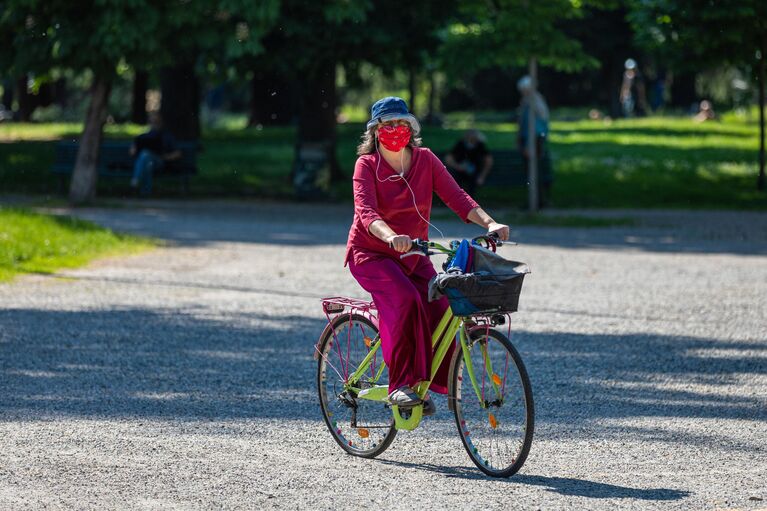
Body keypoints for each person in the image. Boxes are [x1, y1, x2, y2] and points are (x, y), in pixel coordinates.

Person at [345, 96, 510, 412]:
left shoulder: (425, 160)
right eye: (388, 124)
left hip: (413, 255)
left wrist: (490, 223)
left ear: (411, 127)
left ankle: (430, 383)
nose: (395, 129)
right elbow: (367, 214)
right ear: (376, 131)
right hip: (371, 254)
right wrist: (392, 237)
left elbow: (457, 197)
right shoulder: (366, 165)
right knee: (405, 300)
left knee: (442, 302)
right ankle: (401, 385)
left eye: (401, 123)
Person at [130, 111, 181, 196]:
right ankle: (145, 193)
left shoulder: (167, 136)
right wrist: (135, 148)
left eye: (156, 122)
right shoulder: (143, 137)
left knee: (145, 157)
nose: (154, 124)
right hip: (148, 163)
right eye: (152, 122)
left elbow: (178, 153)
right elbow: (132, 152)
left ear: (161, 122)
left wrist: (165, 157)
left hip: (160, 162)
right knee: (146, 161)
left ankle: (135, 180)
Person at [445, 129, 493, 195]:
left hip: (474, 172)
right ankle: (457, 199)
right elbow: (448, 158)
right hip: (460, 170)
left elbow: (489, 161)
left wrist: (482, 176)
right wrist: (457, 166)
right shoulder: (460, 144)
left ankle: (470, 203)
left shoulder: (480, 146)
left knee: (473, 182)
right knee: (455, 180)